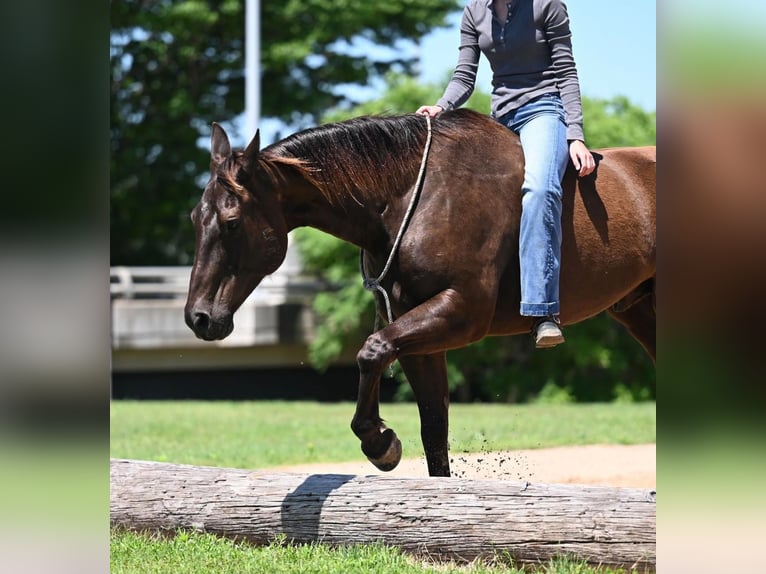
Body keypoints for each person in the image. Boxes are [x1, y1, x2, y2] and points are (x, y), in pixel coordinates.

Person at [417, 0, 595, 348]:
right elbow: (464, 75)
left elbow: (566, 73)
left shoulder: (547, 6)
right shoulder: (473, 13)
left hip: (544, 109)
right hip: (499, 118)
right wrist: (441, 106)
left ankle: (543, 312)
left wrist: (575, 135)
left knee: (540, 191)